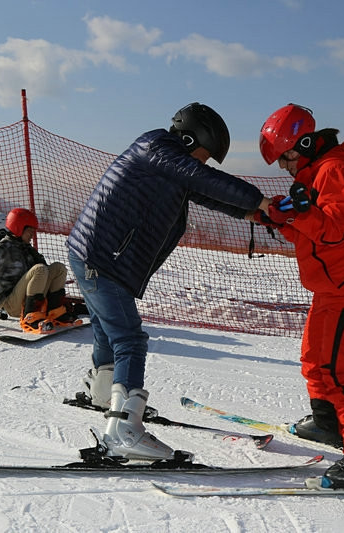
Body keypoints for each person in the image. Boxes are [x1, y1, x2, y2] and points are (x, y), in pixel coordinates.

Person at [67, 102, 271, 460]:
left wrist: (253, 212)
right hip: (103, 259)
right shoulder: (156, 147)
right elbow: (201, 179)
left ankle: (104, 393)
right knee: (129, 338)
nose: (203, 164)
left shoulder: (166, 165)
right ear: (192, 139)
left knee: (106, 330)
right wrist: (260, 199)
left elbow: (204, 191)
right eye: (205, 155)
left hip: (92, 254)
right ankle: (124, 427)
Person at [254, 103, 344, 489]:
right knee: (314, 359)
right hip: (331, 288)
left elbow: (336, 230)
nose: (285, 166)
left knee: (341, 373)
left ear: (308, 142)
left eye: (288, 157)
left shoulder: (337, 170)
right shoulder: (317, 174)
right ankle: (328, 422)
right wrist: (281, 219)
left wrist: (300, 213)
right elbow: (313, 233)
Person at [0, 208, 79, 333]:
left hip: (25, 297)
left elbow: (46, 274)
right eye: (30, 231)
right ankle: (30, 318)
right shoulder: (0, 250)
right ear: (18, 228)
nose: (32, 234)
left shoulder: (26, 248)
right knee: (39, 270)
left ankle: (55, 312)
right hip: (10, 303)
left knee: (58, 268)